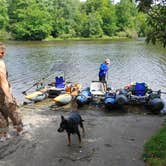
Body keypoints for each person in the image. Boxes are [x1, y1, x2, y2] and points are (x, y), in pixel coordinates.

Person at [0, 42, 23, 141]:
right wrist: (10, 97)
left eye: (3, 52)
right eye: (1, 52)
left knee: (1, 115)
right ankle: (19, 130)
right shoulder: (0, 63)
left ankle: (3, 135)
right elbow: (3, 82)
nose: (2, 54)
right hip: (2, 93)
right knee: (13, 111)